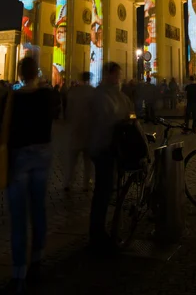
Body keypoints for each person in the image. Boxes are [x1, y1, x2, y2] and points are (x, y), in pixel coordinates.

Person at [7, 56, 60, 293]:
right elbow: (55, 115)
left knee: (18, 219)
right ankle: (37, 261)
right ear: (36, 73)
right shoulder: (47, 95)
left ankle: (18, 274)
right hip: (41, 155)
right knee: (38, 209)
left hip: (18, 158)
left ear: (20, 74)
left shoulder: (13, 98)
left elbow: (4, 128)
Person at [88, 62, 131, 252]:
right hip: (104, 148)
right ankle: (97, 233)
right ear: (109, 75)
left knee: (106, 190)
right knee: (103, 191)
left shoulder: (105, 94)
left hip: (108, 148)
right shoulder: (105, 96)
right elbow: (113, 118)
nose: (119, 78)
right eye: (117, 75)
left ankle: (102, 229)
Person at [64, 72, 94, 192]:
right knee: (87, 161)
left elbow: (68, 111)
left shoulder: (73, 92)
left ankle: (68, 182)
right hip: (88, 130)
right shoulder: (92, 92)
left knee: (72, 159)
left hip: (75, 129)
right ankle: (86, 184)